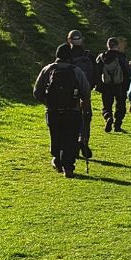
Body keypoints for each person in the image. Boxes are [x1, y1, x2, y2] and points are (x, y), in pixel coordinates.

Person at [32, 43, 90, 177]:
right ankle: (68, 167)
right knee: (70, 139)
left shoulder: (48, 69)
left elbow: (37, 92)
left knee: (56, 137)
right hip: (72, 110)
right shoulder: (76, 71)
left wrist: (48, 102)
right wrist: (82, 104)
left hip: (53, 111)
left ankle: (57, 161)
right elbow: (85, 92)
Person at [64, 29, 99, 160]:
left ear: (69, 40)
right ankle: (83, 141)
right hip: (86, 92)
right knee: (86, 117)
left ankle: (73, 144)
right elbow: (96, 73)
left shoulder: (66, 55)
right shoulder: (88, 55)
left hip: (69, 93)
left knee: (71, 118)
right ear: (81, 40)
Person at [95, 36, 131, 132]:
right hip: (120, 86)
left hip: (106, 86)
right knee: (120, 106)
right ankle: (117, 125)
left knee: (106, 106)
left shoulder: (101, 57)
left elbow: (96, 71)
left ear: (108, 45)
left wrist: (98, 85)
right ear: (117, 46)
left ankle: (108, 117)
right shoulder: (121, 57)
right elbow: (128, 72)